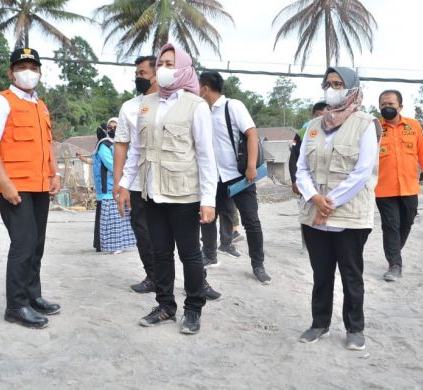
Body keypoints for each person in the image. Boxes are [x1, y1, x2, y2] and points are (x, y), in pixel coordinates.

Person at [117, 43, 218, 334]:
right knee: (160, 252)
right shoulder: (146, 105)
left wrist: (208, 200)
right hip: (152, 192)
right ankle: (165, 305)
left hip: (184, 194)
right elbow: (137, 151)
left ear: (184, 68)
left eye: (170, 64)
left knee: (190, 254)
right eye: (161, 63)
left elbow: (205, 156)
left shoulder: (195, 104)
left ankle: (193, 308)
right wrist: (124, 184)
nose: (163, 69)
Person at [295, 66, 381, 351]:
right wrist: (315, 199)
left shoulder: (365, 123)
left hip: (349, 215)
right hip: (315, 213)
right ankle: (319, 323)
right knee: (321, 274)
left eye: (338, 83)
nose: (332, 89)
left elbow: (363, 171)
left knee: (351, 274)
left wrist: (329, 202)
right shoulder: (314, 126)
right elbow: (301, 169)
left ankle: (355, 328)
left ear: (353, 88)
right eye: (328, 84)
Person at [0, 47, 62, 330]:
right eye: (21, 67)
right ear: (11, 72)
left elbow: (47, 144)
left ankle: (33, 295)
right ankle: (15, 305)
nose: (27, 72)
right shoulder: (1, 102)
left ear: (40, 72)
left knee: (36, 243)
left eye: (32, 67)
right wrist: (3, 183)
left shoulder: (40, 106)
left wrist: (54, 173)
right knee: (23, 243)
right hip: (14, 186)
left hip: (40, 185)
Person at [198, 71, 271, 284]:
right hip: (212, 177)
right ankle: (210, 255)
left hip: (238, 176)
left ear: (204, 88)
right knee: (207, 217)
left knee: (251, 221)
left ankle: (258, 265)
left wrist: (250, 166)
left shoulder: (233, 106)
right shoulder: (201, 111)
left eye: (197, 87)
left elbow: (251, 134)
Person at [375, 90, 423, 282]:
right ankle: (394, 265)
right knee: (391, 225)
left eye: (391, 104)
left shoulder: (414, 126)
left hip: (409, 186)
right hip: (383, 188)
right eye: (383, 104)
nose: (387, 107)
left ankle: (394, 252)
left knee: (406, 222)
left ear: (400, 107)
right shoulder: (373, 128)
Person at [112, 56, 158, 293]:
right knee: (142, 231)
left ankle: (199, 279)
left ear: (156, 74)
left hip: (169, 183)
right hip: (138, 182)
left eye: (142, 73)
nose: (137, 78)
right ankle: (152, 276)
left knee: (182, 233)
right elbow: (121, 145)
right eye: (136, 73)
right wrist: (119, 183)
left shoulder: (176, 103)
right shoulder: (129, 107)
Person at [95, 118, 136, 254]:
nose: (113, 130)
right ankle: (113, 245)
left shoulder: (123, 144)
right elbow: (110, 165)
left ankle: (121, 244)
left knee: (122, 217)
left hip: (123, 184)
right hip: (109, 187)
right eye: (110, 127)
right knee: (112, 217)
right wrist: (128, 171)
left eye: (116, 127)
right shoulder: (104, 145)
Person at [289, 102, 328, 195]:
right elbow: (293, 157)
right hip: (308, 181)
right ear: (312, 116)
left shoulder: (333, 132)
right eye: (318, 117)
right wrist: (294, 180)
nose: (321, 120)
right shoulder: (300, 133)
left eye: (325, 116)